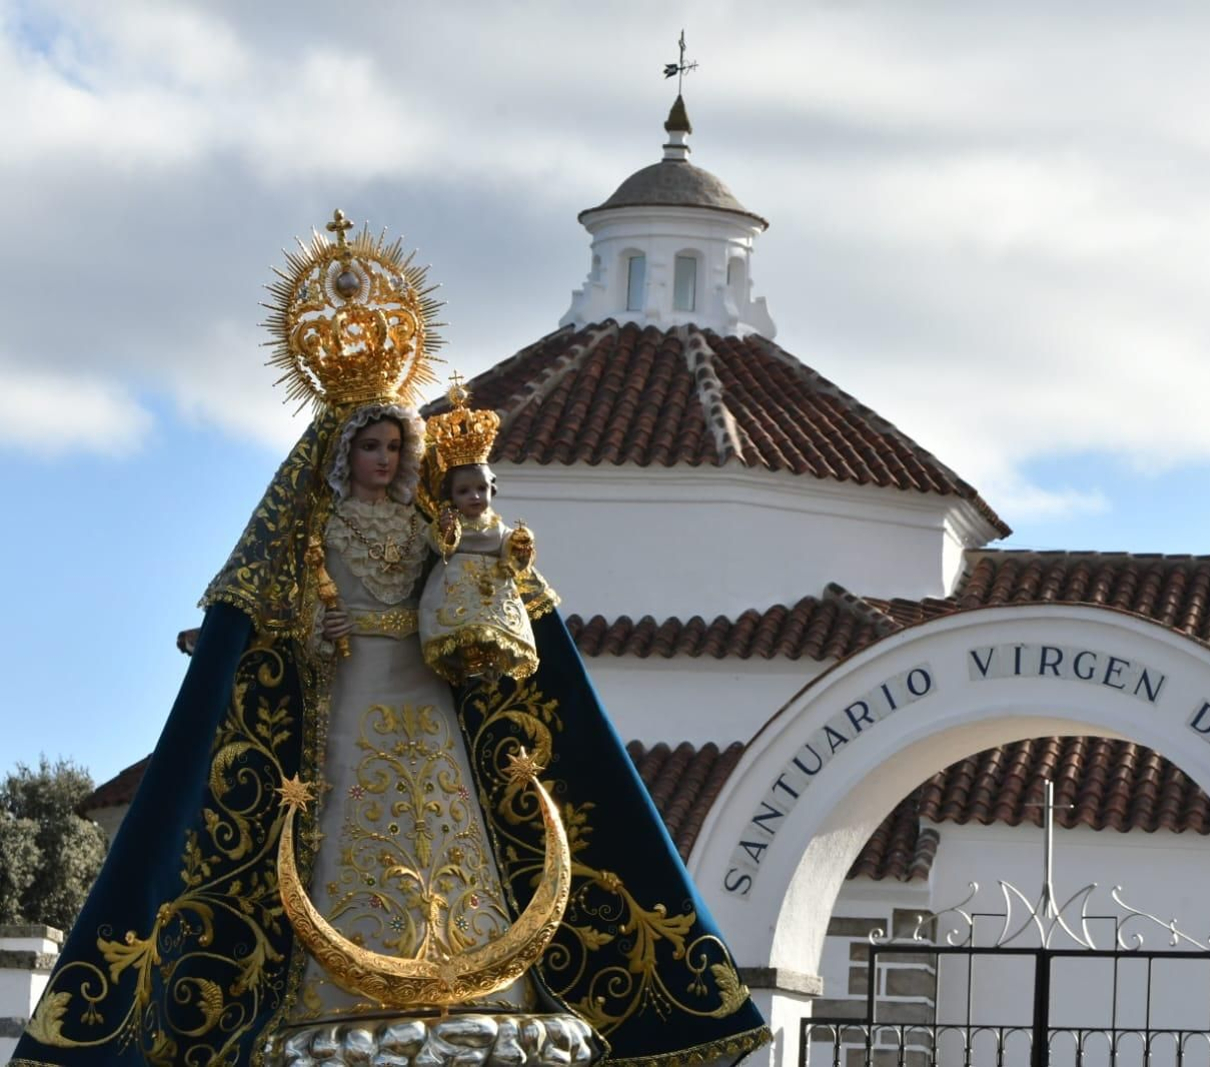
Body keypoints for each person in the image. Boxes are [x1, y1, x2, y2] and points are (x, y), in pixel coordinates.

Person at [10, 215, 769, 1067]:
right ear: (343, 452)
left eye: (393, 443)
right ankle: (339, 982)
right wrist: (301, 628)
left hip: (423, 679)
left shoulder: (430, 521)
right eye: (369, 445)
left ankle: (473, 969)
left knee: (449, 806)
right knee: (348, 804)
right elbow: (270, 610)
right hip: (354, 678)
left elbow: (471, 579)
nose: (381, 456)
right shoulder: (317, 524)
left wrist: (489, 563)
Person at [418, 382, 540, 685]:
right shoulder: (448, 521)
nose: (475, 497)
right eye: (464, 491)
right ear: (451, 495)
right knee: (461, 628)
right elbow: (439, 546)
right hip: (455, 586)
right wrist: (447, 531)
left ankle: (492, 664)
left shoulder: (498, 526)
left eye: (481, 489)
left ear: (492, 488)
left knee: (496, 629)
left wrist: (521, 548)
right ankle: (467, 663)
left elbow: (512, 559)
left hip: (495, 589)